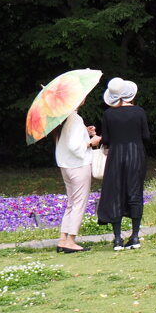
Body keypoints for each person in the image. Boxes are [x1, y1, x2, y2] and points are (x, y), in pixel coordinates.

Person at [97, 77, 150, 250]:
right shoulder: (139, 111)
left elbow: (106, 139)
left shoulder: (108, 114)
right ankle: (135, 236)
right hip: (136, 154)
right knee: (135, 193)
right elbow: (146, 136)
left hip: (116, 155)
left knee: (116, 193)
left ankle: (118, 238)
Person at [54, 102, 101, 252]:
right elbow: (74, 146)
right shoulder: (74, 118)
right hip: (78, 166)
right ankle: (71, 241)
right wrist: (91, 142)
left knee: (71, 202)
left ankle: (63, 239)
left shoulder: (63, 117)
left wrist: (84, 132)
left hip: (66, 165)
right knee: (79, 203)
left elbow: (69, 140)